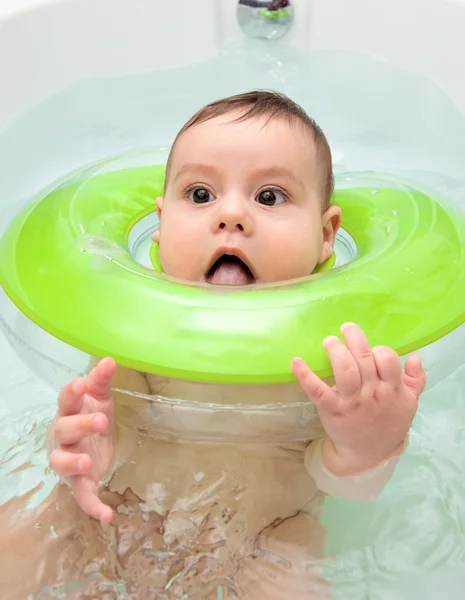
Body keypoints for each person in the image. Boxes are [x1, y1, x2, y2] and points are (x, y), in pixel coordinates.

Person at [0, 91, 426, 599]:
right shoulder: (138, 332)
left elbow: (351, 488)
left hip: (267, 538)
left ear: (326, 234)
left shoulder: (331, 353)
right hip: (120, 509)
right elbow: (110, 439)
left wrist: (368, 444)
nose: (230, 216)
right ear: (159, 227)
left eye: (269, 197)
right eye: (200, 195)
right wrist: (90, 448)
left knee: (290, 578)